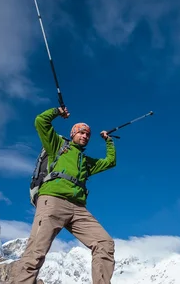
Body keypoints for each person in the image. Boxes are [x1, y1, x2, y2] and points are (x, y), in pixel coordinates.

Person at [12, 106, 117, 284]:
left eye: (87, 135)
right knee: (36, 251)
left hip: (78, 209)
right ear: (73, 134)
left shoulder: (86, 162)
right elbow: (40, 122)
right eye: (81, 132)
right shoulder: (58, 146)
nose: (84, 136)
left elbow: (110, 162)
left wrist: (108, 141)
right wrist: (57, 112)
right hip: (52, 200)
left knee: (104, 243)